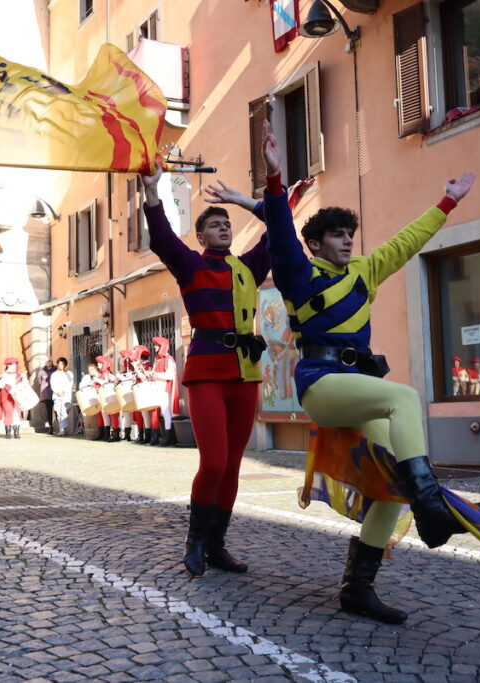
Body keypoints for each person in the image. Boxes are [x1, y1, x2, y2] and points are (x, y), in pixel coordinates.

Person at [255, 119, 480, 623]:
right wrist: (275, 181)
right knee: (404, 398)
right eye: (337, 236)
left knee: (388, 482)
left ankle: (357, 587)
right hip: (320, 384)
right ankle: (433, 507)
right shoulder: (300, 274)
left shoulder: (365, 271)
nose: (347, 242)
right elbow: (280, 234)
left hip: (357, 387)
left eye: (349, 234)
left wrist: (448, 201)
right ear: (317, 243)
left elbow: (409, 241)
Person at [141, 157, 271, 578]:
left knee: (233, 466)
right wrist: (151, 192)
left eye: (228, 225)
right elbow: (161, 238)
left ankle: (217, 545)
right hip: (206, 372)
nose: (225, 229)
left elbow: (279, 231)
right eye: (216, 226)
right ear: (200, 236)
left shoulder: (248, 266)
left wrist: (265, 195)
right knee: (212, 463)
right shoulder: (190, 264)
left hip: (245, 373)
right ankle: (195, 541)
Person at [150, 336, 181, 447]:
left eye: (156, 345)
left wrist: (156, 375)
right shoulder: (157, 359)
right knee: (161, 412)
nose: (154, 347)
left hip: (164, 387)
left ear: (162, 346)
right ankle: (163, 436)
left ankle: (167, 437)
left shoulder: (169, 359)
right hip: (157, 387)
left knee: (165, 411)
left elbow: (170, 375)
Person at [0, 357, 29, 439]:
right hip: (7, 397)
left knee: (17, 414)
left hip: (17, 397)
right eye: (12, 364)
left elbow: (25, 385)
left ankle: (16, 432)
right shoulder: (3, 375)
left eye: (15, 364)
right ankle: (8, 433)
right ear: (8, 365)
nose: (14, 366)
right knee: (9, 413)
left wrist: (24, 378)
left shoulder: (20, 375)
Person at [50, 357, 74, 437]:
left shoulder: (69, 374)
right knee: (57, 411)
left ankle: (63, 429)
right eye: (60, 363)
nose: (61, 365)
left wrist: (64, 391)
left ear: (65, 365)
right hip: (57, 395)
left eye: (63, 364)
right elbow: (52, 384)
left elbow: (70, 384)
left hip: (66, 395)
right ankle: (61, 428)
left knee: (64, 411)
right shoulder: (54, 374)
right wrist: (57, 391)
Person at [37, 356, 56, 434]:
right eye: (47, 361)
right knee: (48, 411)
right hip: (46, 393)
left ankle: (59, 427)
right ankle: (50, 428)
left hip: (54, 391)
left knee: (57, 409)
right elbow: (39, 381)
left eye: (50, 361)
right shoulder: (41, 371)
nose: (49, 362)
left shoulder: (55, 370)